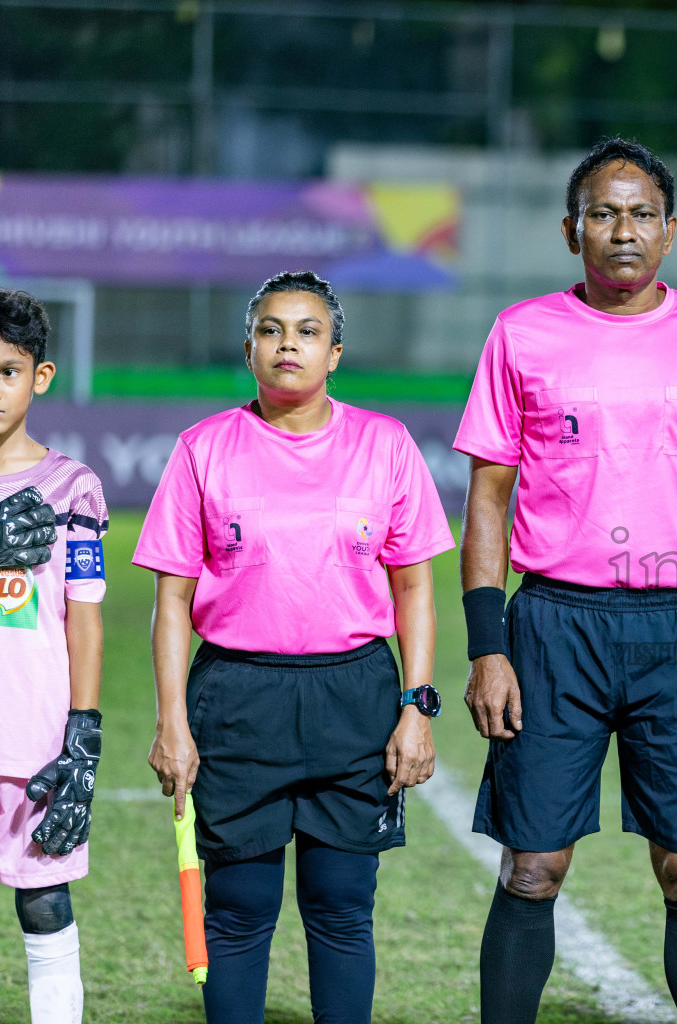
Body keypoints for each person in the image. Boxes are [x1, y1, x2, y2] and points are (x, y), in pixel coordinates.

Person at [454, 137, 677, 1024]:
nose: (623, 230)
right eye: (604, 212)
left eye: (641, 213)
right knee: (533, 865)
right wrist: (489, 647)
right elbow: (487, 498)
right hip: (554, 624)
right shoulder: (523, 332)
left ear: (670, 232)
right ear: (573, 230)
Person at [136, 271, 454, 1024]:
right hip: (239, 698)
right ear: (249, 348)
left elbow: (414, 590)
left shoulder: (386, 444)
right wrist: (172, 722)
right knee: (240, 910)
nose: (289, 345)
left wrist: (416, 705)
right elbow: (172, 601)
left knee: (342, 906)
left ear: (335, 352)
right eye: (272, 330)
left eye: (308, 331)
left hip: (356, 698)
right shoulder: (203, 449)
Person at [0, 290, 105, 1024]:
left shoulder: (73, 487)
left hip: (27, 740)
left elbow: (84, 621)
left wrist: (83, 734)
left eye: (6, 370)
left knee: (43, 902)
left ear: (40, 376)